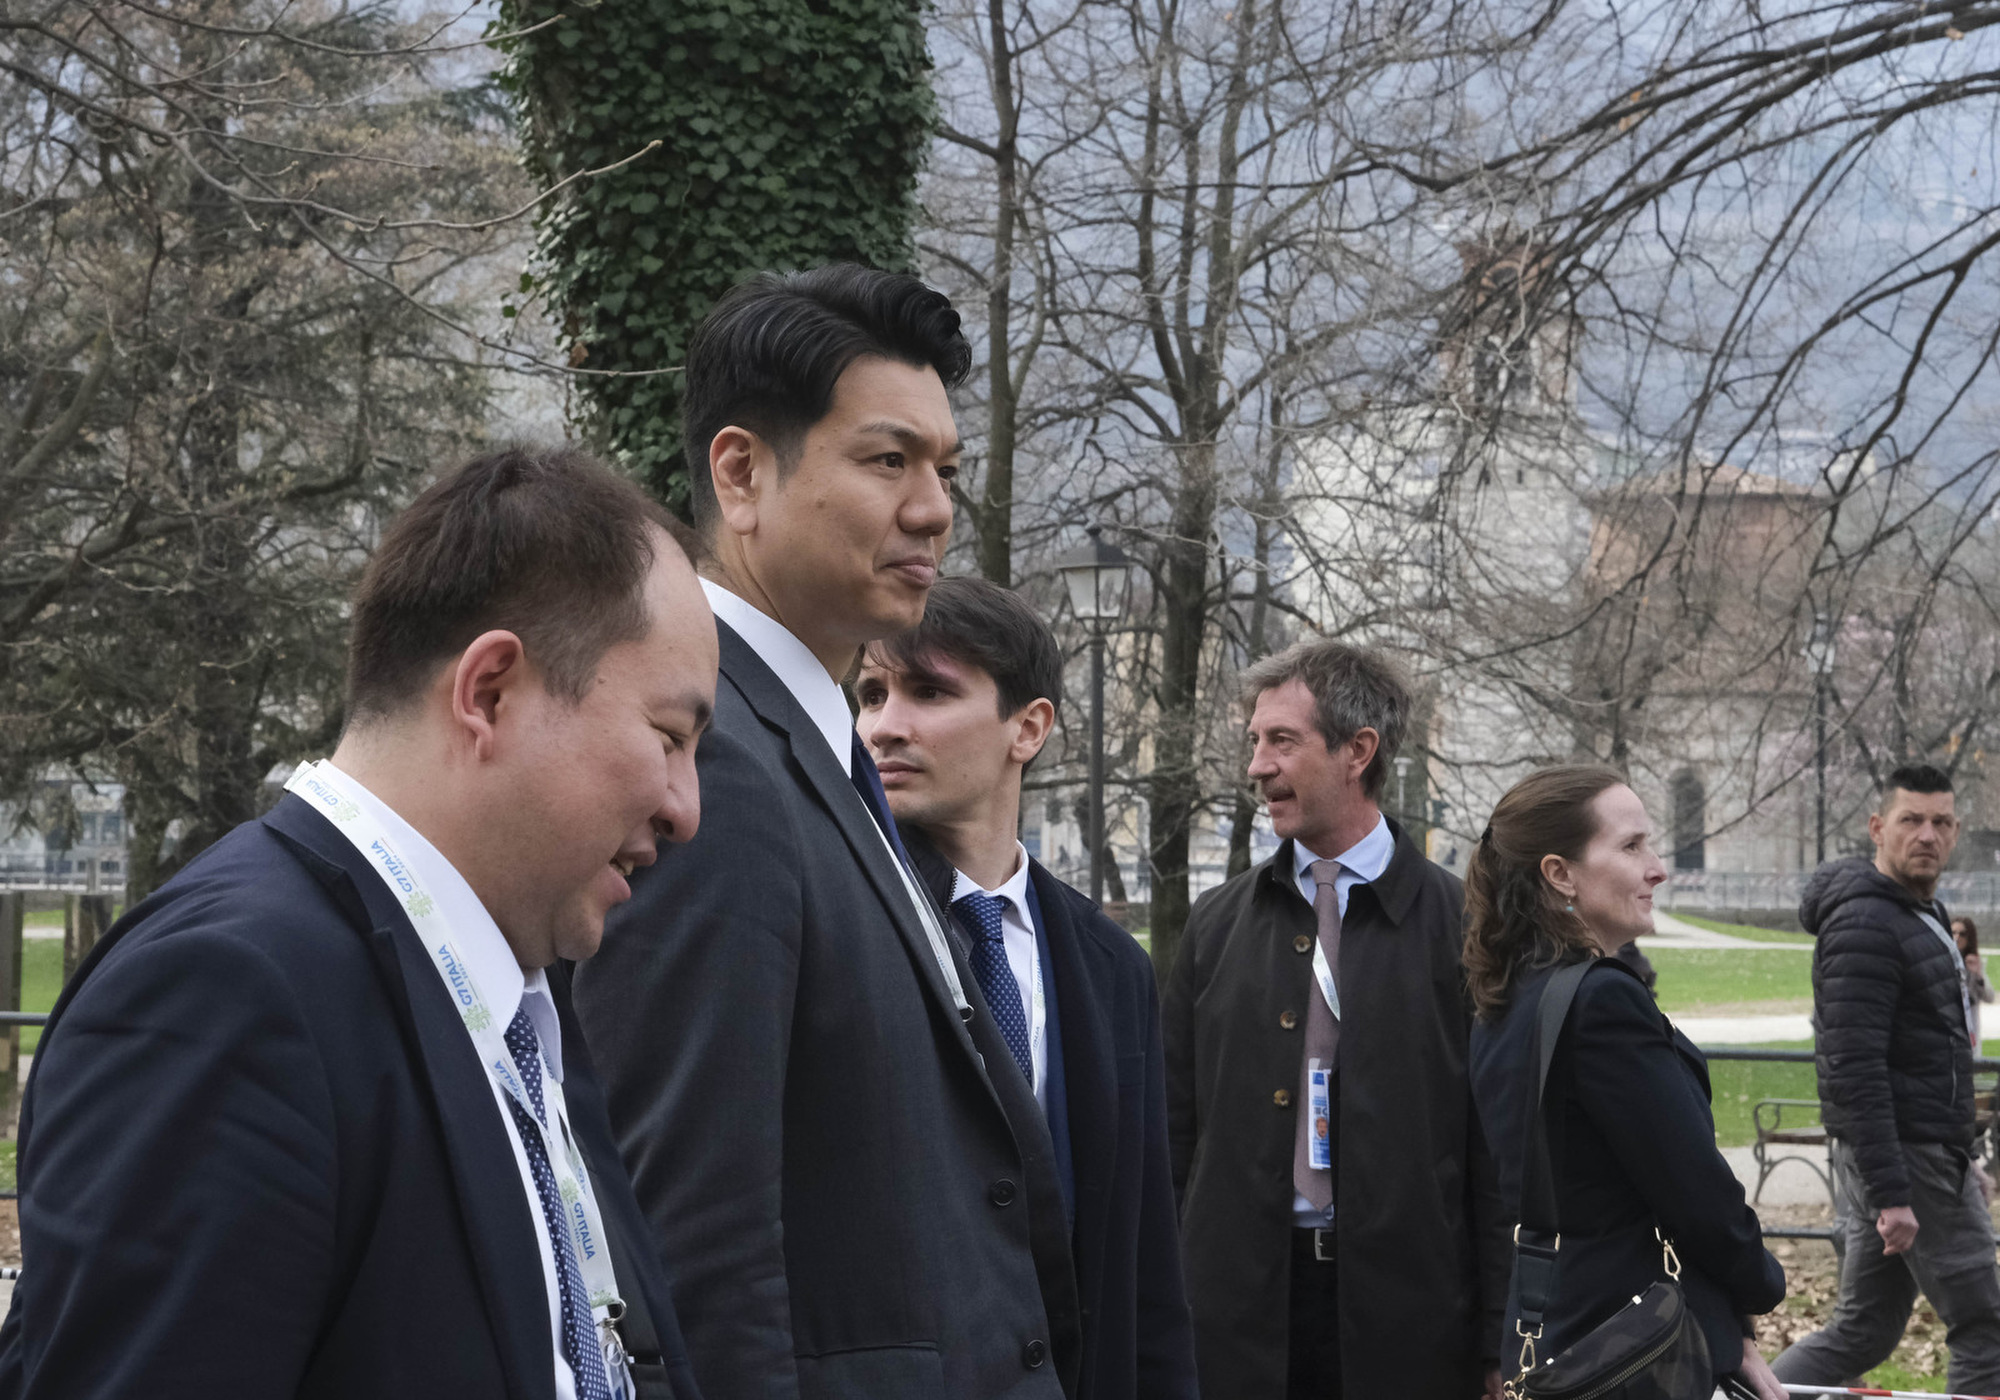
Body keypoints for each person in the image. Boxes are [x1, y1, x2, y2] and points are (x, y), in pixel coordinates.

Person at [0, 446, 717, 1399]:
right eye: (669, 737)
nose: (686, 808)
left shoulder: (512, 996)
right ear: (489, 692)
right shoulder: (222, 999)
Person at [570, 265, 1078, 1400]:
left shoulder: (820, 756)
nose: (934, 508)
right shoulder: (713, 769)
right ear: (741, 472)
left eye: (946, 470)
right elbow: (694, 1243)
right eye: (888, 460)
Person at [854, 576, 1201, 1400]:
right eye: (869, 694)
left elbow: (1146, 1262)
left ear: (1029, 727)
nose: (883, 726)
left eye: (928, 691)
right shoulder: (844, 926)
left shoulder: (1111, 967)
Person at [1164, 639, 1510, 1400]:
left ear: (1358, 751)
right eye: (1255, 741)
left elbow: (1495, 1154)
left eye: (1282, 741)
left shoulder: (1464, 928)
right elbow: (1172, 1136)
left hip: (1409, 1330)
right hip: (1233, 1322)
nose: (1257, 766)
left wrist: (1498, 1341)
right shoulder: (1215, 924)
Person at [1463, 765, 1788, 1400]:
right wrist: (1760, 1284)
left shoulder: (1509, 995)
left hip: (1556, 1326)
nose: (1657, 869)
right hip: (1631, 1344)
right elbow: (1694, 1190)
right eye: (1632, 846)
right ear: (1560, 874)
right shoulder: (1600, 1000)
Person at [1773, 763, 2000, 1393]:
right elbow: (1854, 1067)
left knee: (1864, 1330)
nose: (1927, 835)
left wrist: (1963, 1156)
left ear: (1955, 832)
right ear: (1878, 828)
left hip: (1921, 1154)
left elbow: (1929, 1054)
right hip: (1906, 1158)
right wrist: (1893, 1193)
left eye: (1941, 822)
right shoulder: (1866, 924)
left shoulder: (1918, 911)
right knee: (1987, 1329)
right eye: (1911, 820)